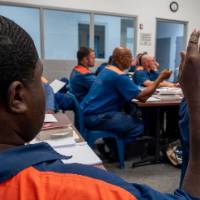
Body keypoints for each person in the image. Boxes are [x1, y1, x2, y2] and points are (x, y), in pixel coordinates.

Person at [1, 15, 200, 199]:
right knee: (140, 125)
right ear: (17, 96)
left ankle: (114, 146)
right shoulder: (74, 187)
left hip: (91, 114)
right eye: (40, 80)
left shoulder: (108, 71)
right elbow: (141, 93)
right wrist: (195, 99)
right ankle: (117, 147)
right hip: (99, 116)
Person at [81, 47, 171, 145]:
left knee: (127, 116)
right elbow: (142, 98)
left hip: (87, 114)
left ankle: (110, 144)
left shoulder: (107, 70)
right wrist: (160, 78)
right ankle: (116, 149)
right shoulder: (119, 76)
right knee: (138, 126)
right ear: (120, 58)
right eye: (129, 57)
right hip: (98, 117)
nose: (131, 60)